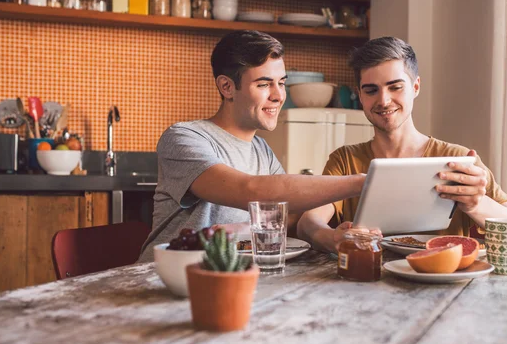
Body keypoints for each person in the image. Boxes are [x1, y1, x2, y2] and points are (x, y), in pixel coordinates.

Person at [297, 36, 507, 256]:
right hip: (367, 286)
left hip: (445, 289)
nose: (383, 100)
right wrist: (332, 239)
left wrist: (477, 203)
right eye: (371, 90)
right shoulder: (345, 160)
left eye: (395, 87)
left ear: (415, 87)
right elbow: (308, 222)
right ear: (360, 96)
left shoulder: (458, 159)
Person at [138, 30, 367, 262]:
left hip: (227, 277)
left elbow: (287, 213)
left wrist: (329, 235)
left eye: (281, 83)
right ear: (227, 87)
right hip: (160, 278)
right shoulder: (184, 137)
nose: (279, 95)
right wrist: (360, 182)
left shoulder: (261, 150)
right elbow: (250, 190)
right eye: (264, 84)